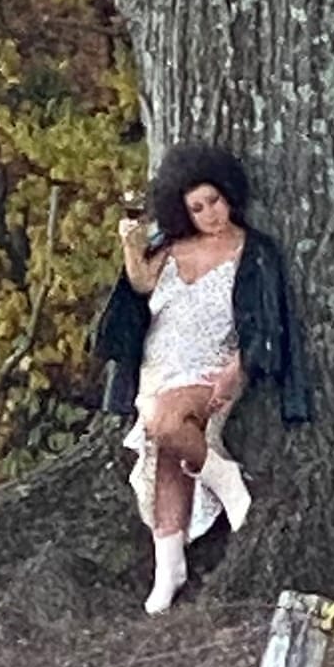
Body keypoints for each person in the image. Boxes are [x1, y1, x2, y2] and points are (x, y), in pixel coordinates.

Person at [92, 143, 311, 614]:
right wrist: (131, 245)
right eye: (197, 207)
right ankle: (169, 564)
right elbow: (140, 286)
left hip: (209, 363)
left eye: (214, 201)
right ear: (182, 209)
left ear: (228, 195)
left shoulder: (251, 250)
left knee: (167, 425)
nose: (210, 214)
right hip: (158, 363)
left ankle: (226, 479)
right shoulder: (166, 246)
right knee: (163, 449)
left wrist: (239, 367)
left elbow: (265, 318)